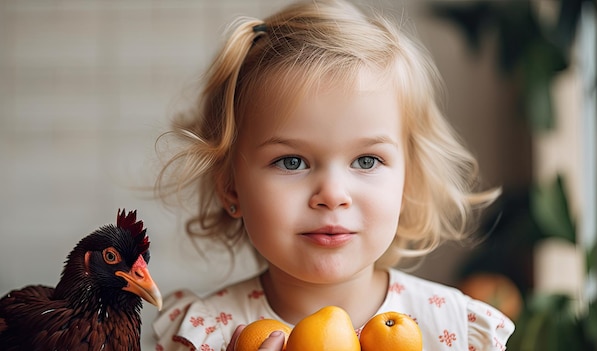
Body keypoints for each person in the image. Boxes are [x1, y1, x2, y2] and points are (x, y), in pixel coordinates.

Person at [152, 0, 515, 350]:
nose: (332, 194)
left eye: (367, 161)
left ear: (409, 181)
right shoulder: (204, 336)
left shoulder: (454, 330)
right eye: (292, 162)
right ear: (231, 187)